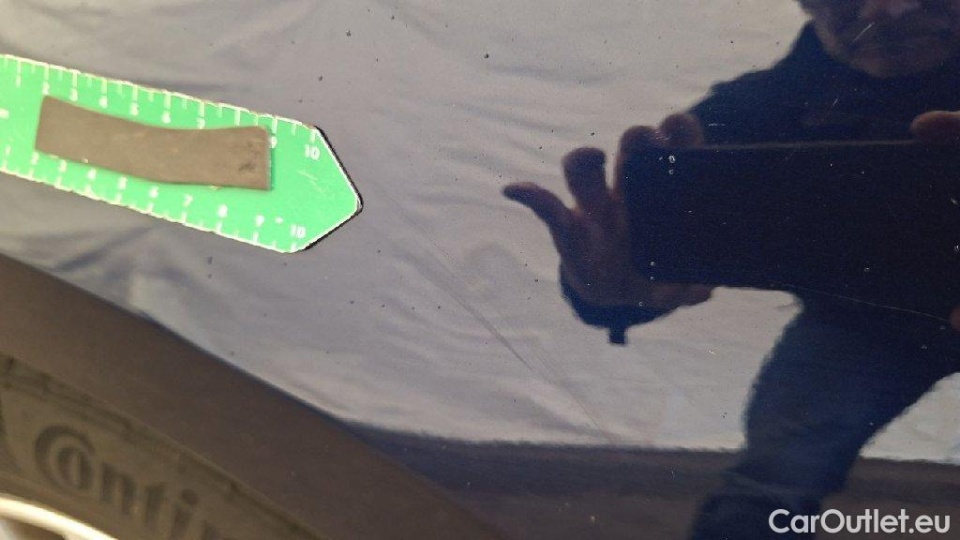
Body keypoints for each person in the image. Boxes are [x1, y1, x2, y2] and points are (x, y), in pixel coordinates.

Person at [505, 1, 960, 538]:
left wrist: (614, 293)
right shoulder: (761, 105)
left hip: (855, 323)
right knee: (771, 483)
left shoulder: (774, 99)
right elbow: (635, 242)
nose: (886, 9)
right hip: (858, 324)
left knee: (770, 482)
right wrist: (614, 287)